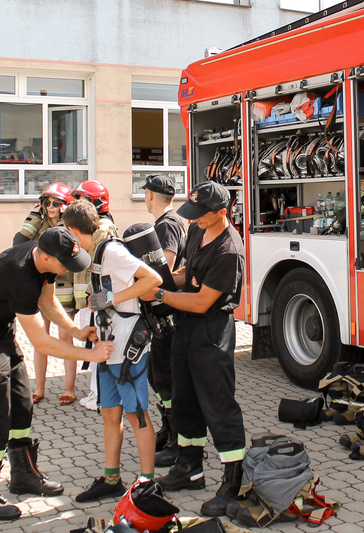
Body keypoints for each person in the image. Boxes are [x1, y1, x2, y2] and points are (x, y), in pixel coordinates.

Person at [0, 225, 113, 520]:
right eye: (64, 265)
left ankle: (22, 475)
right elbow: (41, 342)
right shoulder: (18, 274)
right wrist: (89, 354)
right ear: (45, 258)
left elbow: (47, 301)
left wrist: (76, 330)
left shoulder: (44, 262)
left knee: (22, 402)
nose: (68, 271)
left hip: (0, 332)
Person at [141, 181, 246, 517]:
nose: (195, 219)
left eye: (202, 214)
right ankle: (189, 469)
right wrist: (162, 282)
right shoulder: (198, 231)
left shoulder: (230, 250)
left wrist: (159, 296)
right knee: (184, 398)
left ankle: (234, 482)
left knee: (218, 405)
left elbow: (203, 302)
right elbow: (187, 273)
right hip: (185, 327)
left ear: (222, 212)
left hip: (211, 332)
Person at [62, 200, 162, 502]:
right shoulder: (94, 253)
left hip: (129, 346)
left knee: (138, 415)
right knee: (109, 413)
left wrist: (112, 299)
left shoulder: (112, 251)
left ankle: (147, 483)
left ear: (72, 231)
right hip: (106, 346)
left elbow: (152, 280)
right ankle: (111, 478)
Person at [12, 183, 79, 406]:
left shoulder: (68, 227)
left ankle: (69, 389)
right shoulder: (38, 224)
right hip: (41, 289)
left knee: (65, 338)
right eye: (47, 202)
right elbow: (18, 243)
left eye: (56, 203)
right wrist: (33, 216)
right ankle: (39, 388)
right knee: (40, 339)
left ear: (64, 206)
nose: (51, 207)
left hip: (64, 288)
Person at [140, 174, 187, 467]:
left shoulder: (167, 226)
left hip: (168, 316)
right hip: (162, 316)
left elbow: (164, 272)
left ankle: (175, 440)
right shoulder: (166, 224)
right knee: (157, 378)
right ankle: (168, 429)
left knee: (165, 380)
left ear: (149, 195)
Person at [69, 180, 120, 411]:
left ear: (97, 202)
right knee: (92, 344)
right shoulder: (96, 225)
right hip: (91, 300)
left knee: (98, 344)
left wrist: (96, 298)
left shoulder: (102, 228)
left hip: (96, 300)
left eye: (83, 199)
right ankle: (95, 391)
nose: (77, 203)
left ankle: (99, 395)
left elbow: (99, 266)